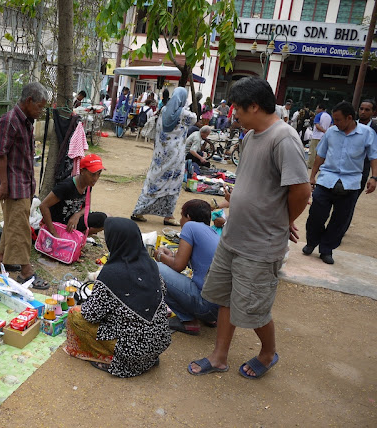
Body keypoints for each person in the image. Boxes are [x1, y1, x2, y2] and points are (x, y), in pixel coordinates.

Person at [188, 76, 311, 379]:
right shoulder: (251, 136)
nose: (234, 116)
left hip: (259, 243)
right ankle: (219, 356)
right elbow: (256, 183)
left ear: (254, 106)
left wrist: (283, 221)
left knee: (254, 308)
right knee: (226, 297)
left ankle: (268, 353)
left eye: (238, 110)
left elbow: (301, 191)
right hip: (233, 236)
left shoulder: (284, 138)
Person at [64, 217, 171, 377]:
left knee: (75, 316)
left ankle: (114, 359)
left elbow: (91, 314)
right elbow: (162, 290)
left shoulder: (111, 273)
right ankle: (147, 358)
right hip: (159, 341)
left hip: (132, 350)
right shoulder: (150, 263)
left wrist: (88, 302)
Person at [303, 101, 377, 265]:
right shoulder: (331, 132)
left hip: (350, 183)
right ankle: (311, 242)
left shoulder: (367, 133)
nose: (334, 123)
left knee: (339, 220)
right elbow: (320, 155)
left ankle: (326, 249)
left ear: (349, 118)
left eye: (337, 120)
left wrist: (374, 178)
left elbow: (374, 157)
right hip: (326, 180)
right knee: (316, 215)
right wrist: (312, 176)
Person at [0, 82, 50, 288]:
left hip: (24, 182)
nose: (41, 111)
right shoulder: (9, 121)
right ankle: (26, 272)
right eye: (39, 107)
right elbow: (0, 154)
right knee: (20, 229)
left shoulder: (26, 121)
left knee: (13, 223)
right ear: (28, 101)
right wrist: (4, 184)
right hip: (13, 185)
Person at [130, 87, 198, 226]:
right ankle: (168, 216)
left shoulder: (163, 110)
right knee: (173, 184)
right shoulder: (184, 114)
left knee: (153, 182)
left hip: (160, 156)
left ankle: (138, 211)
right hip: (175, 157)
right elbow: (195, 119)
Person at [153, 199, 220, 336]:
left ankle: (188, 320)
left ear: (188, 217)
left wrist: (160, 256)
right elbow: (186, 260)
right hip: (220, 311)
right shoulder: (213, 233)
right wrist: (170, 255)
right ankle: (207, 319)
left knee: (154, 269)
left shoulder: (190, 227)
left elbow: (178, 266)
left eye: (182, 215)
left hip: (206, 306)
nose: (180, 220)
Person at [39, 154, 108, 236]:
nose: (96, 178)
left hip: (72, 223)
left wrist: (77, 215)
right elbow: (43, 206)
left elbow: (87, 206)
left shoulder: (88, 185)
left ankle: (78, 237)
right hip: (58, 224)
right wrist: (53, 232)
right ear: (82, 171)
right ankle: (67, 236)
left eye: (99, 174)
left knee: (107, 219)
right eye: (92, 174)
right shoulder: (66, 186)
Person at [309, 104, 332, 169]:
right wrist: (327, 132)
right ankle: (319, 166)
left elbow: (317, 125)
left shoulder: (318, 115)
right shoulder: (329, 116)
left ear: (320, 109)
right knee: (321, 153)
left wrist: (323, 130)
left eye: (317, 108)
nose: (316, 110)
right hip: (324, 137)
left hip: (316, 136)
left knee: (313, 151)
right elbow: (331, 126)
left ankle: (311, 165)